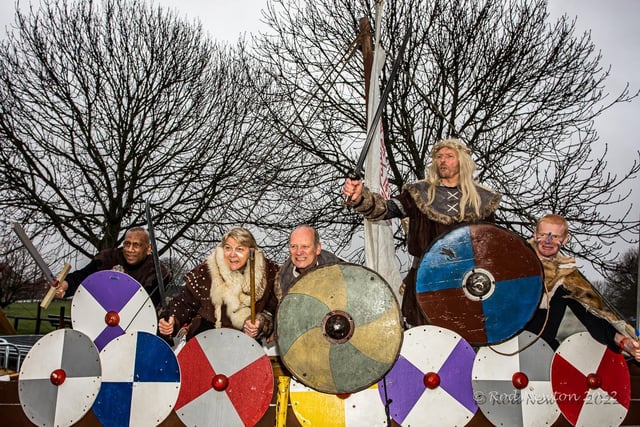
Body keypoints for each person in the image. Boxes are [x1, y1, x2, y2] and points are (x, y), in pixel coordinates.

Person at [342, 138, 501, 327]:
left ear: (462, 161)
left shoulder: (481, 200)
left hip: (466, 283)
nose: (442, 160)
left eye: (449, 156)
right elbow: (385, 209)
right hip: (425, 282)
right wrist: (360, 197)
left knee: (465, 342)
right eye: (439, 157)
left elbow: (491, 245)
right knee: (423, 342)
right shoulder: (419, 193)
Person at [525, 214, 640, 361]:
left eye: (555, 236)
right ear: (535, 235)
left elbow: (591, 316)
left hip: (541, 353)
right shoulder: (512, 257)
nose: (548, 241)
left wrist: (625, 343)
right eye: (543, 234)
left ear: (565, 240)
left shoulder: (567, 277)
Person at [158, 227, 279, 341]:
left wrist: (260, 323)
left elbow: (273, 310)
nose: (232, 254)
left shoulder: (268, 273)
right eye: (228, 248)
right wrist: (172, 321)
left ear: (251, 252)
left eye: (240, 249)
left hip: (245, 345)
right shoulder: (206, 271)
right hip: (206, 340)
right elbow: (183, 304)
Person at [55, 227, 171, 310]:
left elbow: (145, 304)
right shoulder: (108, 258)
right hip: (101, 314)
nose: (130, 250)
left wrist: (122, 283)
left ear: (148, 248)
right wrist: (65, 285)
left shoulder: (157, 272)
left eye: (136, 245)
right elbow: (83, 276)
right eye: (127, 244)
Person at [274, 225, 341, 301]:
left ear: (318, 248)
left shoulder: (343, 277)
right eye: (294, 246)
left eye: (305, 246)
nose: (298, 252)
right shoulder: (279, 284)